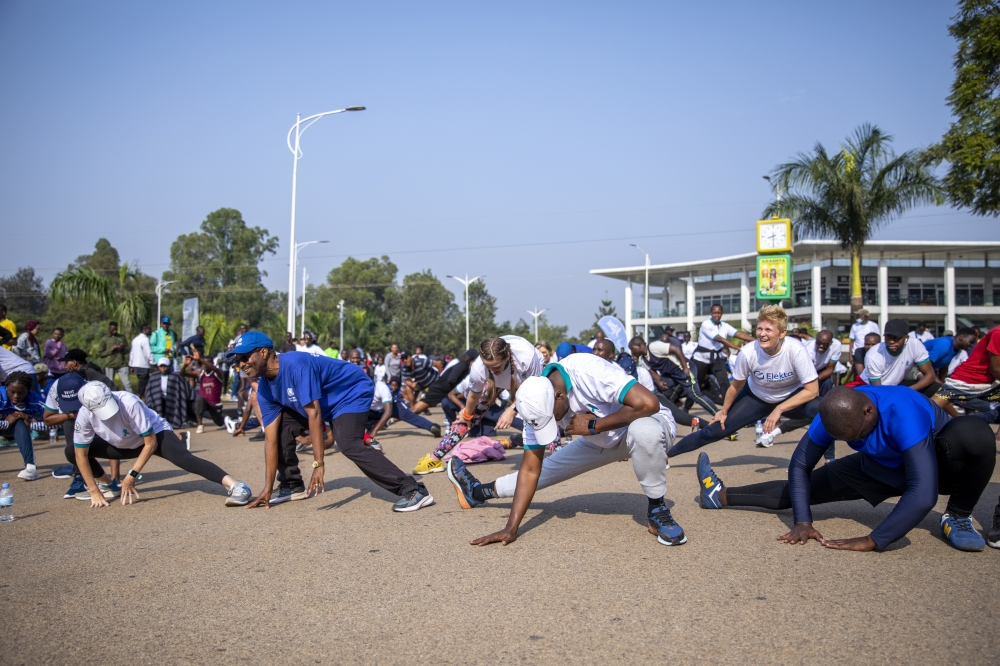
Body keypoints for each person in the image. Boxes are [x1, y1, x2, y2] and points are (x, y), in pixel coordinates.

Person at [695, 386, 997, 552]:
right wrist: (803, 521)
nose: (854, 441)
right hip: (879, 466)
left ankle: (957, 516)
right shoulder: (833, 414)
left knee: (974, 433)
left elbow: (924, 493)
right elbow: (799, 465)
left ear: (868, 411)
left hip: (938, 464)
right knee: (800, 492)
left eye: (856, 436)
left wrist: (875, 539)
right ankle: (719, 495)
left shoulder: (902, 412)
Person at [446, 354, 686, 547]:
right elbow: (530, 471)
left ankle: (657, 510)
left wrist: (594, 424)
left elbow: (649, 404)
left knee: (643, 431)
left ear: (559, 395)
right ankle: (477, 492)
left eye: (553, 418)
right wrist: (511, 528)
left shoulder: (587, 370)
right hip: (598, 440)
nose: (554, 424)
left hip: (649, 422)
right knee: (547, 469)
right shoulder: (533, 401)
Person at [234, 331, 434, 511]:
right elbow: (270, 440)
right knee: (280, 428)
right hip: (324, 401)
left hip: (351, 390)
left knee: (348, 443)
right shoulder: (265, 390)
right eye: (238, 360)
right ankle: (290, 485)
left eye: (245, 357)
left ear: (263, 352)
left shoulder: (295, 365)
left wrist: (318, 464)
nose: (241, 364)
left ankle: (413, 490)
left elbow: (314, 415)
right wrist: (267, 487)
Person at [667, 305, 821, 458]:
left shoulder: (796, 350)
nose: (762, 334)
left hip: (790, 396)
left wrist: (779, 409)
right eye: (759, 329)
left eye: (768, 330)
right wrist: (724, 411)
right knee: (714, 430)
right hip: (756, 398)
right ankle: (667, 455)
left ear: (782, 333)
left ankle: (829, 459)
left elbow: (812, 390)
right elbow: (735, 386)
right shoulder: (748, 353)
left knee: (827, 412)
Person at [70, 381, 252, 508]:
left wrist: (132, 475)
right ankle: (109, 486)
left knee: (186, 460)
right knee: (71, 451)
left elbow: (150, 442)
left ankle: (237, 485)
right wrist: (93, 490)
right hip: (120, 444)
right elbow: (81, 455)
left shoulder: (128, 402)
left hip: (154, 435)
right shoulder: (84, 414)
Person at [413, 336, 543, 475]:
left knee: (543, 413)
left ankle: (556, 453)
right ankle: (434, 459)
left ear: (507, 356)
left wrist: (512, 410)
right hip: (496, 382)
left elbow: (535, 389)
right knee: (466, 418)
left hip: (530, 381)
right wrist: (467, 415)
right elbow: (474, 395)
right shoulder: (479, 367)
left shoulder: (526, 357)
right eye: (489, 367)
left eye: (496, 366)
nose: (493, 371)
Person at [933, 325, 1000, 420]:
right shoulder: (998, 333)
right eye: (971, 342)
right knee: (929, 411)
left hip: (990, 381)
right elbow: (996, 370)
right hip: (966, 380)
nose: (972, 345)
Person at [691, 304, 755, 403]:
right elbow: (719, 338)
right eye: (714, 313)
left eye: (719, 313)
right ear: (711, 313)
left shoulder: (724, 326)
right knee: (697, 385)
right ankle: (686, 408)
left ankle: (727, 408)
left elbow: (738, 334)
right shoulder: (706, 324)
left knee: (724, 382)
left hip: (717, 358)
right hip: (702, 358)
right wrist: (737, 347)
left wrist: (756, 340)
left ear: (722, 314)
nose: (717, 315)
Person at [857, 319, 936, 397]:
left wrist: (907, 391)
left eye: (896, 337)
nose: (891, 341)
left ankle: (938, 408)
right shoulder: (873, 355)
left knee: (943, 390)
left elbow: (931, 376)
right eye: (888, 337)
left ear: (906, 338)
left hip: (896, 386)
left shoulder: (915, 345)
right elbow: (879, 393)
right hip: (870, 387)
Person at [0, 371, 45, 481]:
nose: (16, 396)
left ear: (28, 391)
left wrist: (33, 425)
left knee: (19, 421)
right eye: (12, 392)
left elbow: (56, 421)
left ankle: (31, 467)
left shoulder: (35, 400)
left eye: (21, 393)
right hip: (3, 426)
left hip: (15, 430)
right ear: (6, 388)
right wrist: (6, 422)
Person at [407, 349, 477, 418]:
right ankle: (400, 416)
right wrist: (457, 390)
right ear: (471, 359)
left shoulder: (464, 366)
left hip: (444, 390)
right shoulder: (463, 364)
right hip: (439, 390)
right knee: (414, 410)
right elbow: (452, 379)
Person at [182, 348, 225, 433]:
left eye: (207, 363)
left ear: (212, 363)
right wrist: (185, 365)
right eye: (203, 364)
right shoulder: (200, 373)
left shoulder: (218, 373)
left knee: (220, 423)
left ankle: (225, 420)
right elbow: (182, 374)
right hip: (204, 401)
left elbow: (215, 369)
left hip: (215, 404)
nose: (205, 365)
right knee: (199, 399)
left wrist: (200, 359)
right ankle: (200, 425)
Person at [144, 357, 194, 428]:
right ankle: (158, 425)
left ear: (169, 367)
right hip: (158, 399)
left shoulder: (175, 376)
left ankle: (173, 423)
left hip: (172, 399)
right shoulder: (154, 377)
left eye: (165, 366)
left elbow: (183, 388)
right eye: (161, 366)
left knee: (172, 409)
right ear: (158, 367)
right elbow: (149, 390)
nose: (163, 368)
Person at [96, 321, 132, 393]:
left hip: (121, 364)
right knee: (109, 384)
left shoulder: (121, 337)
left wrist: (122, 348)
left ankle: (132, 398)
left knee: (127, 384)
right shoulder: (105, 339)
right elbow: (100, 353)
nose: (115, 331)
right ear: (109, 328)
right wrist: (111, 350)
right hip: (110, 365)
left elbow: (128, 349)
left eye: (116, 329)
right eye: (113, 329)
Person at [129, 324, 154, 398]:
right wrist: (154, 363)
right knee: (142, 387)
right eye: (149, 329)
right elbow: (148, 352)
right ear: (145, 329)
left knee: (145, 385)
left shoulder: (135, 339)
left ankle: (146, 401)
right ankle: (137, 399)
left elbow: (132, 353)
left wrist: (131, 365)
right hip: (143, 365)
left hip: (136, 365)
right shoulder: (145, 339)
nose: (151, 331)